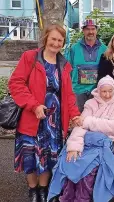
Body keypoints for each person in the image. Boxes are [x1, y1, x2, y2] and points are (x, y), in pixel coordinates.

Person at [8, 24, 81, 202]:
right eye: (53, 39)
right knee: (30, 157)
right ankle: (33, 190)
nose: (56, 43)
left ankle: (43, 189)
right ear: (46, 38)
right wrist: (34, 105)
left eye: (60, 40)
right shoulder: (30, 57)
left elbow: (69, 95)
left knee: (48, 157)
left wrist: (75, 114)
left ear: (63, 42)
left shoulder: (64, 65)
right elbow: (16, 83)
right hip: (31, 119)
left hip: (54, 123)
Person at [48, 75, 114, 202]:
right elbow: (80, 126)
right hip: (88, 142)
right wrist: (74, 147)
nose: (107, 95)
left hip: (108, 143)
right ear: (98, 90)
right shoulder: (90, 103)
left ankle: (82, 198)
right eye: (103, 91)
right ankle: (68, 196)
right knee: (70, 159)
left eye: (110, 91)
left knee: (88, 169)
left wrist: (89, 121)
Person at [68, 18, 107, 112]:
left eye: (93, 29)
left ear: (96, 30)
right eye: (87, 29)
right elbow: (68, 70)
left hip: (97, 92)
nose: (90, 32)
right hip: (78, 92)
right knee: (79, 119)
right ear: (83, 30)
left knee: (96, 119)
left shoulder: (105, 49)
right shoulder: (74, 49)